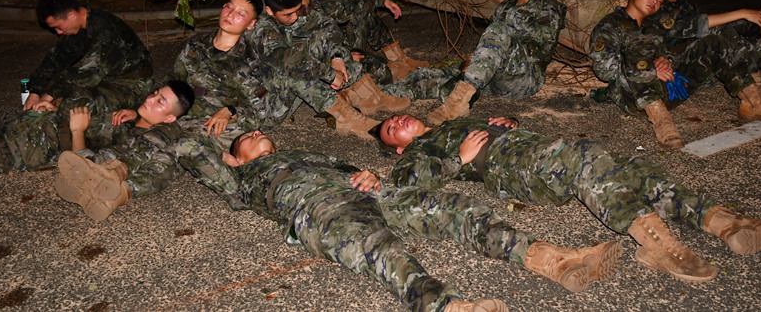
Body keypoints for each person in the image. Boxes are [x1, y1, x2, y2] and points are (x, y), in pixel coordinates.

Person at [167, 133, 622, 312]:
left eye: (252, 130)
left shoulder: (302, 152)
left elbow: (347, 167)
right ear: (232, 157)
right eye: (243, 140)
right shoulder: (240, 178)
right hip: (320, 210)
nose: (253, 134)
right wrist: (208, 135)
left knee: (455, 209)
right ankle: (445, 307)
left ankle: (550, 258)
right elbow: (188, 150)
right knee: (380, 247)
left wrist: (365, 174)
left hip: (369, 193)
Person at [375, 113, 761, 284]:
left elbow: (506, 129)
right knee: (587, 156)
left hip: (530, 146)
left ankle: (724, 222)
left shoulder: (456, 120)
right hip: (510, 169)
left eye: (395, 118)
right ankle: (658, 245)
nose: (398, 122)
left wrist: (507, 122)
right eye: (392, 130)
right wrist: (458, 158)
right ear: (398, 147)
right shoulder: (417, 154)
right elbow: (412, 187)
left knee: (632, 170)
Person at [590, 0, 761, 149]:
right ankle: (662, 122)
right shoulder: (610, 25)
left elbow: (676, 43)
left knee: (713, 42)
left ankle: (755, 103)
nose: (655, 0)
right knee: (636, 43)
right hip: (634, 99)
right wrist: (650, 70)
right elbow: (604, 71)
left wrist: (664, 60)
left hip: (668, 90)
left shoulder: (653, 25)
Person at [0, 0, 154, 174]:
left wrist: (49, 97)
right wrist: (35, 92)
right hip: (103, 78)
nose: (58, 32)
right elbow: (55, 59)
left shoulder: (106, 31)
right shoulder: (81, 25)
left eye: (58, 27)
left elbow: (84, 75)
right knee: (64, 88)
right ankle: (38, 118)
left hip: (131, 87)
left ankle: (54, 138)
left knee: (77, 99)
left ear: (72, 15)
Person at [246, 0, 410, 139]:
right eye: (288, 14)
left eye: (297, 10)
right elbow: (290, 62)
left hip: (288, 80)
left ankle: (371, 98)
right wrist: (330, 74)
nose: (295, 17)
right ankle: (349, 120)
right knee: (295, 71)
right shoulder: (261, 29)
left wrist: (336, 57)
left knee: (327, 44)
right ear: (269, 10)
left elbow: (327, 25)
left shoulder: (295, 11)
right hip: (263, 101)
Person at [420, 0, 566, 125]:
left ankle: (456, 104)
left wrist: (514, 25)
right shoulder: (504, 7)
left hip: (525, 77)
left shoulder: (548, 6)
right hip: (496, 78)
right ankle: (391, 93)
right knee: (436, 76)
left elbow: (545, 48)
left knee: (498, 31)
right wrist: (474, 60)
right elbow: (490, 43)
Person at [168, 0, 295, 148]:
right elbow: (173, 81)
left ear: (251, 24)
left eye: (241, 14)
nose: (230, 15)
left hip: (215, 123)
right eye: (229, 7)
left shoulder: (250, 61)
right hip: (182, 114)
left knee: (193, 143)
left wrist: (230, 111)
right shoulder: (196, 44)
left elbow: (259, 110)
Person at [54, 81, 195, 221]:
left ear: (169, 118)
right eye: (154, 94)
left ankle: (102, 189)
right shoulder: (120, 119)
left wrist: (77, 132)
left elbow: (81, 164)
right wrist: (55, 108)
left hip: (99, 165)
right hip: (78, 154)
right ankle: (95, 186)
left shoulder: (161, 139)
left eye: (160, 102)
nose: (150, 99)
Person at [286, 0, 428, 82]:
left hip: (338, 53)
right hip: (326, 68)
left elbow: (348, 5)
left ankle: (399, 58)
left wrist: (382, 1)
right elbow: (303, 57)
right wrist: (344, 57)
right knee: (382, 73)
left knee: (365, 13)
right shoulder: (290, 17)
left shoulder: (315, 6)